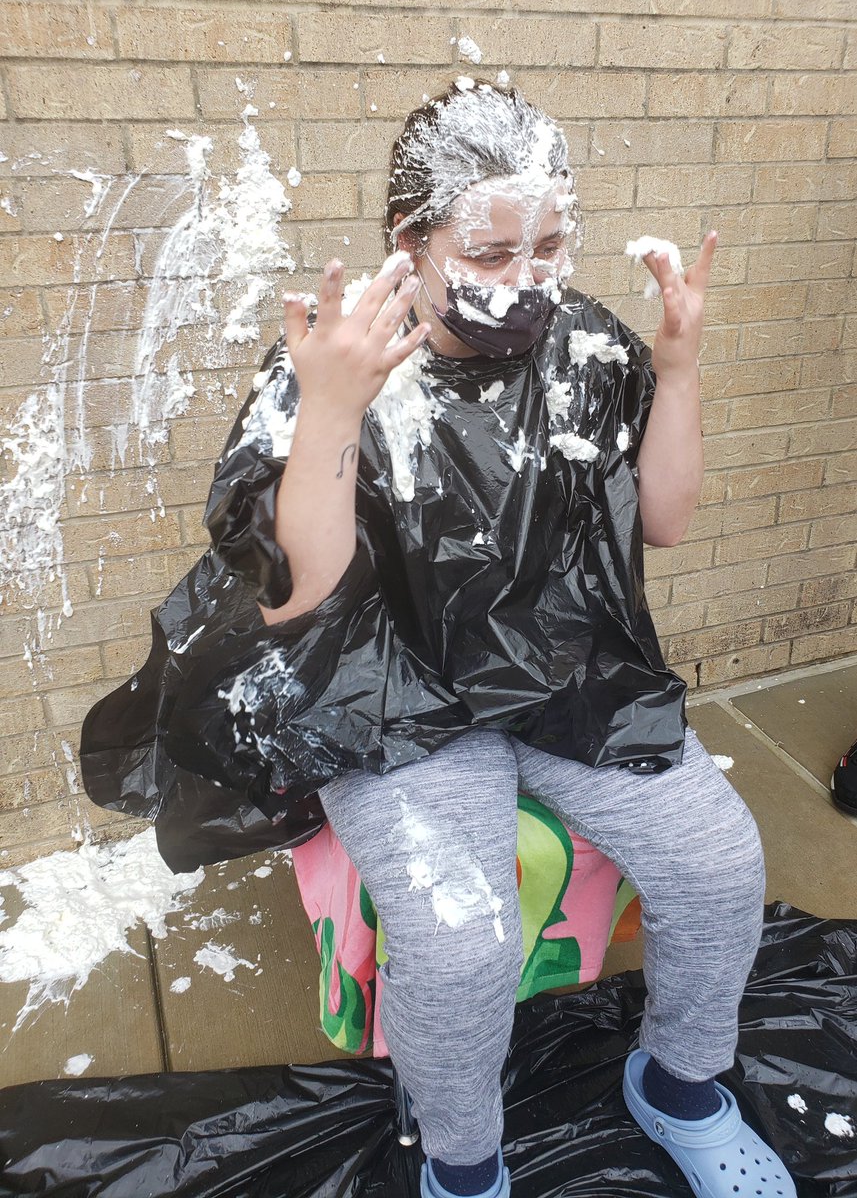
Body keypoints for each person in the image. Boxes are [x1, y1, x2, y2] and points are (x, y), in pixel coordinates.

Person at [80, 80, 796, 1198]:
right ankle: (464, 1164)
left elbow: (661, 520)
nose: (525, 280)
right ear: (406, 242)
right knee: (461, 946)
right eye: (493, 250)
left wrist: (677, 368)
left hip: (571, 680)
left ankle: (680, 1085)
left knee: (717, 866)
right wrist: (329, 411)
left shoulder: (588, 348)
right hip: (392, 708)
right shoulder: (341, 367)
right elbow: (298, 590)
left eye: (550, 247)